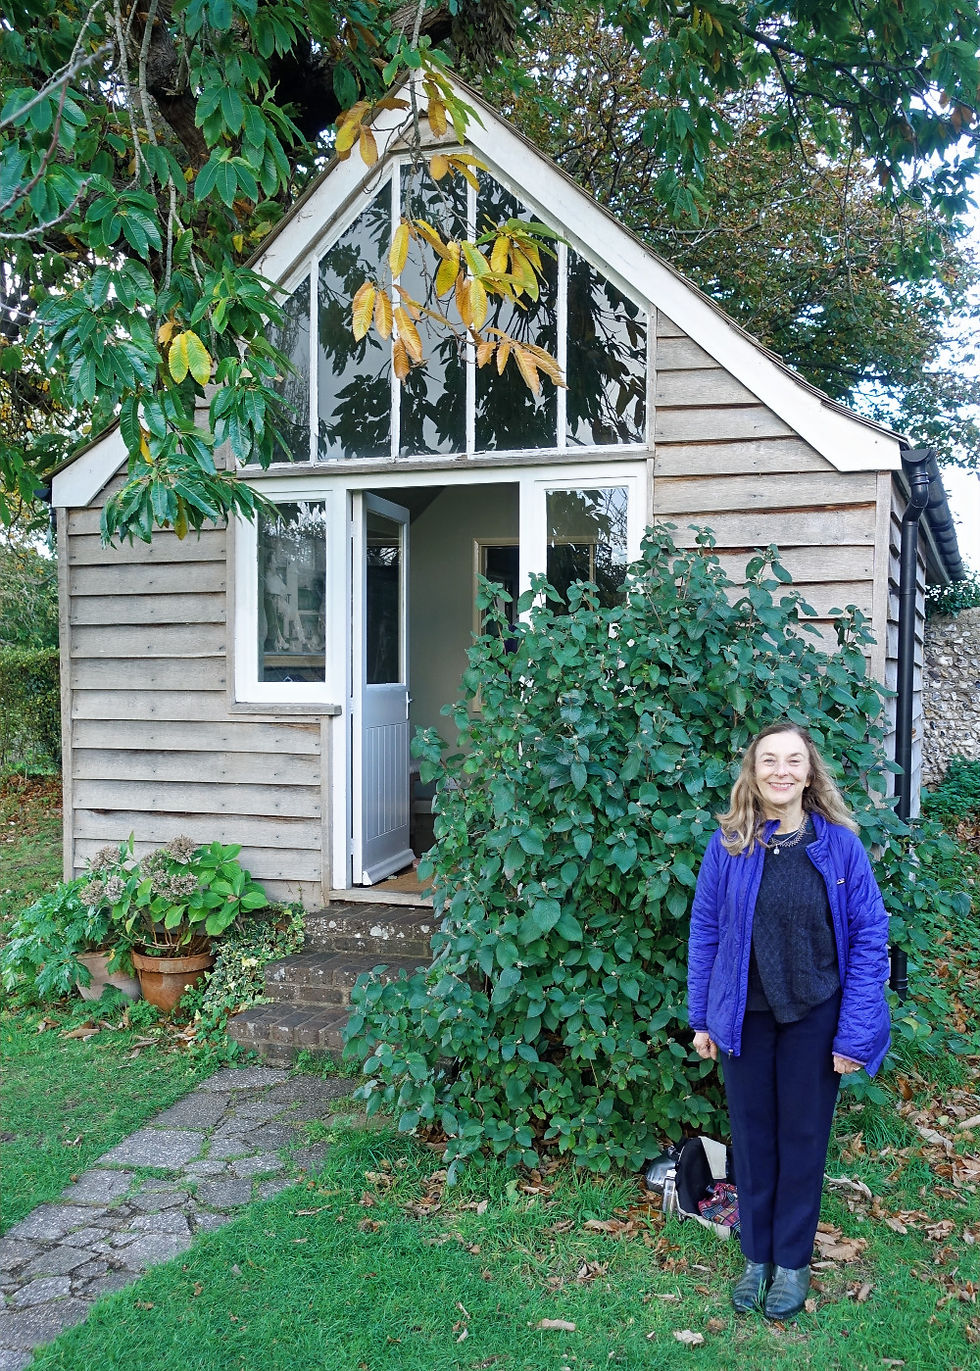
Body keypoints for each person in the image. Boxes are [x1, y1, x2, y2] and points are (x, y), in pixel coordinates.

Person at [686, 720, 890, 1320]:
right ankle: (757, 1257)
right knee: (752, 1139)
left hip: (815, 1013)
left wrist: (853, 1033)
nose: (780, 770)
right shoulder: (729, 844)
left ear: (809, 773)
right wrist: (704, 1018)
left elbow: (870, 937)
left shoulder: (840, 847)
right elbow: (706, 932)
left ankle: (793, 1263)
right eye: (768, 759)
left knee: (801, 1138)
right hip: (745, 1016)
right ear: (753, 771)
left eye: (792, 760)